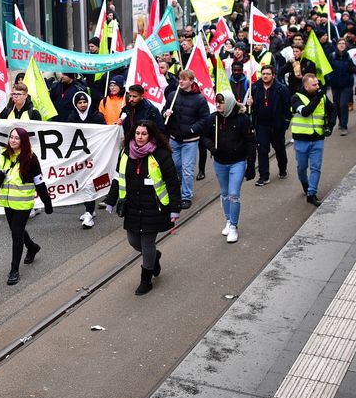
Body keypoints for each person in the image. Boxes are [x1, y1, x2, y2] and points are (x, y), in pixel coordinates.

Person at [104, 121, 182, 294]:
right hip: (132, 206)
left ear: (151, 135)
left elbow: (172, 183)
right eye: (137, 133)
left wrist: (175, 209)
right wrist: (111, 199)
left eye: (144, 134)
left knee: (147, 243)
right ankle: (154, 256)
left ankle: (146, 280)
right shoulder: (125, 152)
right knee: (133, 241)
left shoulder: (161, 154)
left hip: (153, 207)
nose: (140, 137)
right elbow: (118, 178)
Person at [0, 126, 53, 285]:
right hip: (7, 201)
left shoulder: (31, 158)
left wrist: (47, 202)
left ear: (23, 141)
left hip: (23, 202)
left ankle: (14, 271)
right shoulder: (2, 153)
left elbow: (39, 182)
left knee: (16, 234)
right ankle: (32, 247)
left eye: (17, 138)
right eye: (11, 137)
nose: (13, 140)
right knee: (15, 230)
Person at [192, 92, 255, 243]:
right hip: (220, 162)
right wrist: (211, 148)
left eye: (222, 102)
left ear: (230, 103)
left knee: (234, 194)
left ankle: (233, 226)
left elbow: (251, 142)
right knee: (225, 193)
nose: (218, 104)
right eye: (217, 101)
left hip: (238, 162)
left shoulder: (242, 119)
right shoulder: (212, 118)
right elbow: (204, 136)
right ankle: (228, 220)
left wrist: (251, 164)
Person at [163, 69, 210, 209]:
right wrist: (165, 113)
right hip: (174, 139)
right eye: (180, 78)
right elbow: (164, 110)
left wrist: (192, 129)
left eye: (184, 79)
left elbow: (205, 119)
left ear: (191, 81)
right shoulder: (172, 95)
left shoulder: (199, 99)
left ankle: (186, 196)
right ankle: (182, 186)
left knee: (187, 170)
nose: (181, 81)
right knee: (176, 166)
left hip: (190, 141)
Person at [291, 73, 332, 207]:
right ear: (306, 86)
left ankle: (311, 194)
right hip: (301, 139)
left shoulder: (322, 96)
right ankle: (305, 183)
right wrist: (318, 97)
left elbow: (332, 109)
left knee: (316, 167)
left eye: (318, 83)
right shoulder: (296, 98)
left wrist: (330, 125)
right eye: (314, 85)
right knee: (302, 167)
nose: (318, 86)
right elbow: (305, 112)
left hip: (318, 138)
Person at [67, 91, 106, 229]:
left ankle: (89, 212)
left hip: (94, 155)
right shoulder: (71, 118)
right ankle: (89, 209)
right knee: (83, 183)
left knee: (91, 183)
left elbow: (104, 133)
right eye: (80, 102)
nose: (83, 104)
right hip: (80, 157)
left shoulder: (97, 116)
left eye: (85, 102)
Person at [249, 65, 290, 186]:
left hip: (277, 126)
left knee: (279, 149)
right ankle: (264, 176)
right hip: (261, 126)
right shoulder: (255, 88)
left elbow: (287, 108)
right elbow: (250, 108)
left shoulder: (281, 89)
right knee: (262, 150)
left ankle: (282, 169)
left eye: (268, 74)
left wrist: (284, 124)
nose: (265, 76)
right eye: (263, 74)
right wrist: (249, 104)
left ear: (273, 75)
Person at [326, 39, 354, 136]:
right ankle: (341, 121)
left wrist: (351, 77)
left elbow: (353, 67)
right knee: (337, 105)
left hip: (346, 85)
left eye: (343, 43)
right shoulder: (332, 56)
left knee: (343, 104)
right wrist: (330, 79)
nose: (341, 45)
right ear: (337, 45)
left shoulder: (350, 56)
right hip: (335, 85)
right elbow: (328, 68)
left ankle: (344, 126)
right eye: (340, 43)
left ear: (346, 45)